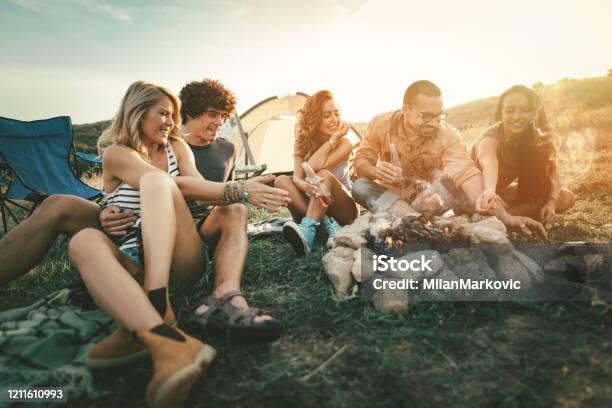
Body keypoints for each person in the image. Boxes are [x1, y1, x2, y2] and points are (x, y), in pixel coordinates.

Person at [1, 80, 289, 348]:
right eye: (163, 113)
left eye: (173, 115)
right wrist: (238, 188)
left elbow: (192, 188)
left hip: (179, 254)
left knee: (233, 209)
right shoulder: (117, 153)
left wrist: (234, 192)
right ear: (137, 112)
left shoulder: (177, 147)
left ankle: (224, 297)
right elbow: (159, 183)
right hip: (129, 246)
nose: (170, 122)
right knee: (58, 203)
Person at [352, 80, 547, 238]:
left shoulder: (447, 134)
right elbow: (361, 162)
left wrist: (507, 218)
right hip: (391, 196)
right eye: (426, 116)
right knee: (360, 186)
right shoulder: (381, 123)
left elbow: (466, 173)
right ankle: (415, 220)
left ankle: (416, 221)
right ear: (406, 110)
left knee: (458, 188)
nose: (434, 123)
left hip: (429, 199)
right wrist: (375, 171)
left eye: (439, 115)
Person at [471, 85, 576, 226]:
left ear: (534, 113)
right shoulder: (490, 138)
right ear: (500, 113)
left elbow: (554, 176)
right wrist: (490, 189)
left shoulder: (535, 139)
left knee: (566, 197)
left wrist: (551, 203)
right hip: (475, 195)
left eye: (525, 110)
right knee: (493, 202)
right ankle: (496, 218)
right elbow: (488, 162)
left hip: (499, 196)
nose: (516, 117)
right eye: (509, 111)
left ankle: (499, 217)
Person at [274, 90, 359, 255]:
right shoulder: (302, 141)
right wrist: (304, 186)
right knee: (282, 181)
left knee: (323, 174)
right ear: (315, 118)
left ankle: (309, 230)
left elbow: (314, 167)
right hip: (314, 205)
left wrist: (333, 139)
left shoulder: (345, 143)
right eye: (327, 115)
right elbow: (298, 177)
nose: (334, 120)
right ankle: (325, 226)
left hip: (344, 210)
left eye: (336, 114)